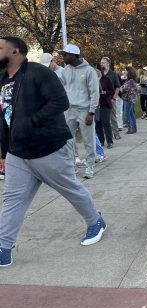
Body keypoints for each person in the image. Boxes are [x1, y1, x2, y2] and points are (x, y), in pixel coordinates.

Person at [0, 35, 107, 267]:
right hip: (18, 152)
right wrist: (4, 151)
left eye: (0, 47)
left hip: (50, 146)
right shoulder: (3, 80)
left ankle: (95, 222)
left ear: (15, 51)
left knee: (70, 188)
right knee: (12, 200)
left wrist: (32, 122)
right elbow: (5, 117)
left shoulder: (39, 72)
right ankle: (3, 247)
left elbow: (60, 101)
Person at [60, 44, 99, 179]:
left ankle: (89, 166)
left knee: (88, 140)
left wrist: (91, 112)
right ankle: (72, 166)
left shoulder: (89, 71)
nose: (63, 57)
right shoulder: (65, 71)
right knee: (68, 140)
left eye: (65, 54)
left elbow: (94, 93)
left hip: (84, 110)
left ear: (73, 55)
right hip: (69, 110)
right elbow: (62, 89)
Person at [100, 57, 122, 139]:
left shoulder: (113, 74)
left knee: (112, 117)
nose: (102, 64)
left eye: (104, 62)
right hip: (101, 100)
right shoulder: (99, 74)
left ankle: (116, 133)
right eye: (101, 62)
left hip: (110, 98)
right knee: (102, 119)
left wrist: (114, 98)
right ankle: (105, 135)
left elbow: (117, 87)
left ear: (108, 63)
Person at [95, 65, 115, 149]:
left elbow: (112, 91)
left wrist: (105, 92)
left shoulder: (106, 79)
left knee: (106, 123)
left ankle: (110, 142)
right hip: (96, 105)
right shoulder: (93, 80)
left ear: (101, 71)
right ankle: (101, 141)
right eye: (95, 71)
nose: (96, 73)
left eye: (97, 71)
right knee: (98, 123)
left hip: (105, 104)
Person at [120, 66, 138, 133]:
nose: (124, 72)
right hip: (130, 99)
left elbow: (123, 89)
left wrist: (120, 88)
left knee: (126, 114)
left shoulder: (130, 81)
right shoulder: (130, 80)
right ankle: (134, 128)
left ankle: (131, 129)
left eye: (125, 70)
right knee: (131, 114)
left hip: (128, 99)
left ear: (129, 72)